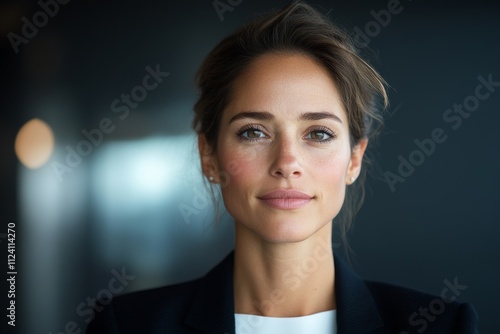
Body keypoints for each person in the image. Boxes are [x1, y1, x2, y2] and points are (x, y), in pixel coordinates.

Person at [86, 1, 478, 333]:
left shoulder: (442, 325)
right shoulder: (127, 325)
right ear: (209, 155)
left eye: (319, 134)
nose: (287, 163)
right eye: (254, 132)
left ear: (354, 159)